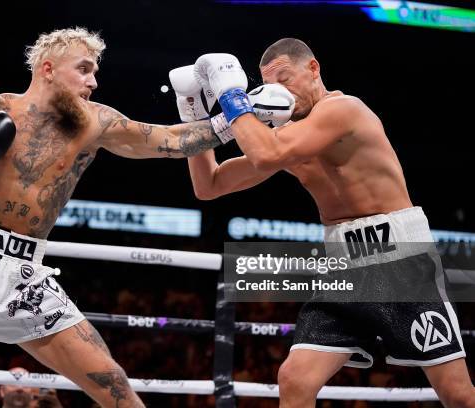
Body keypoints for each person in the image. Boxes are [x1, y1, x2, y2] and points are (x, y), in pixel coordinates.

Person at [0, 27, 231, 408]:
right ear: (48, 68)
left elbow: (169, 140)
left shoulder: (95, 122)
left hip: (25, 278)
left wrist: (236, 116)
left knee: (116, 387)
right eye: (84, 69)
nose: (94, 81)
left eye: (95, 72)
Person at [184, 39, 474, 407]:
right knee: (294, 379)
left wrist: (230, 95)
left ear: (313, 69)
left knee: (458, 395)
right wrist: (193, 113)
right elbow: (208, 186)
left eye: (285, 79)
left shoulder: (343, 110)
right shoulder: (288, 137)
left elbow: (264, 153)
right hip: (344, 268)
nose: (279, 92)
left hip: (401, 262)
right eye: (270, 85)